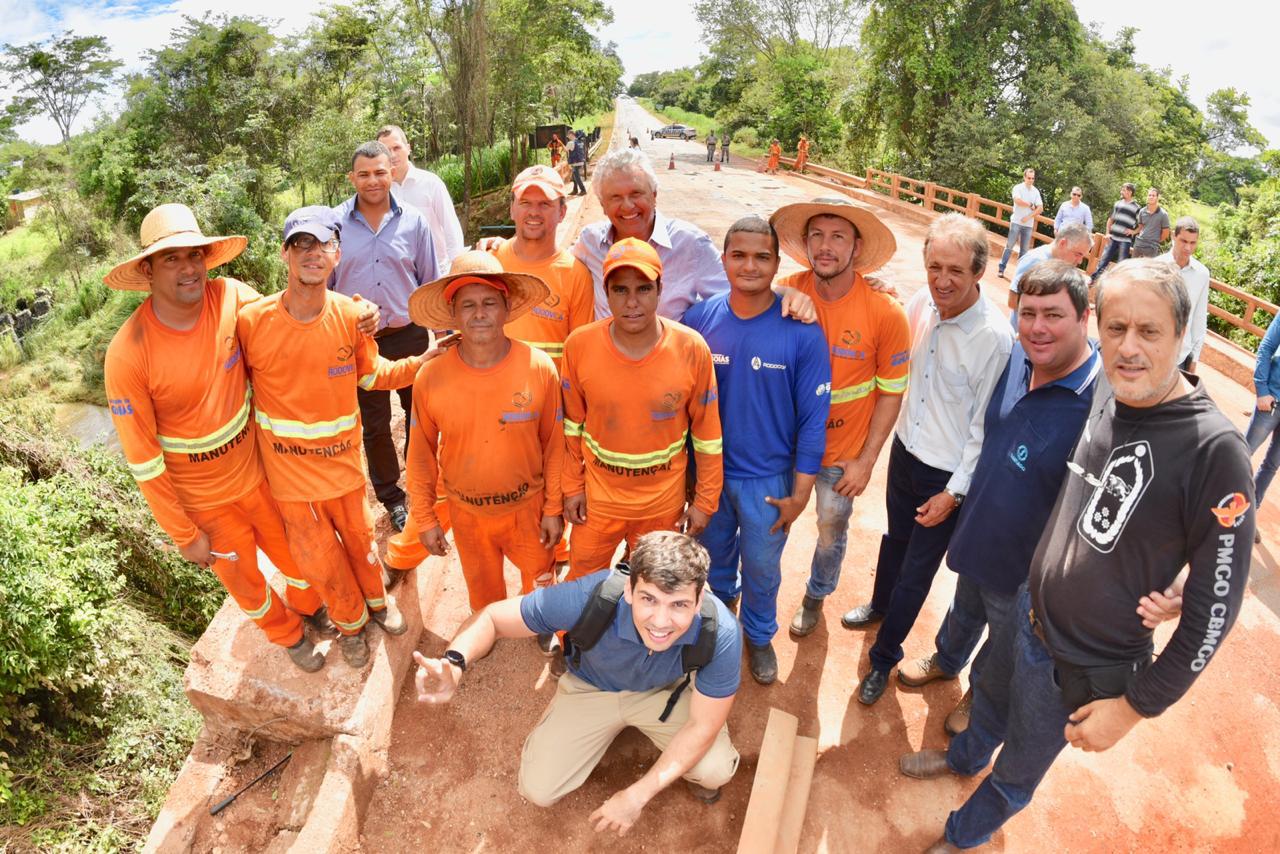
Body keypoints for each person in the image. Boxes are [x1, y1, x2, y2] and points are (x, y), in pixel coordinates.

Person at [900, 258, 1255, 853]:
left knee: (1020, 765)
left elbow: (1215, 611)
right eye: (1117, 328)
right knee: (989, 699)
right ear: (1099, 328)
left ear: (1181, 335)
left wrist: (1133, 709)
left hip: (1082, 663)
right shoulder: (1111, 400)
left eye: (1149, 331)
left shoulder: (1215, 450)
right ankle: (962, 759)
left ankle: (963, 836)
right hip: (1028, 613)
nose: (1129, 347)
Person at [104, 204, 345, 673]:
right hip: (206, 505)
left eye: (194, 255)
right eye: (171, 258)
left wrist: (349, 316)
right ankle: (288, 634)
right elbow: (144, 461)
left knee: (297, 557)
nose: (188, 268)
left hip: (262, 475)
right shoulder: (128, 354)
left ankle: (311, 607)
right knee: (246, 582)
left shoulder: (231, 297)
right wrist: (184, 535)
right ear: (148, 270)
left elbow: (286, 325)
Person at [411, 531, 742, 836]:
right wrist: (454, 663)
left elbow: (703, 725)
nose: (661, 621)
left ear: (699, 599)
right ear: (629, 590)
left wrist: (636, 796)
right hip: (592, 687)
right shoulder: (591, 597)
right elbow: (493, 618)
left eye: (679, 604)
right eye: (649, 599)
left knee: (715, 770)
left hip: (665, 691)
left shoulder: (720, 631)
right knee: (539, 789)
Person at [898, 261, 1102, 733]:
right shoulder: (1014, 358)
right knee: (964, 606)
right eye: (1028, 313)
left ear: (1083, 317)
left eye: (1052, 315)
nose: (1037, 327)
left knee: (1006, 634)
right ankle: (947, 659)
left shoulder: (1096, 404)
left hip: (1026, 564)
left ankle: (979, 694)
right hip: (979, 530)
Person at [238, 206, 431, 668]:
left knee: (362, 542)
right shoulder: (251, 322)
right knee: (320, 559)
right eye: (301, 244)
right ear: (284, 253)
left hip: (344, 467)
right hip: (291, 479)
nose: (312, 253)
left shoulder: (350, 315)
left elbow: (374, 375)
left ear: (338, 255)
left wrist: (423, 362)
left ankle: (379, 605)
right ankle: (350, 625)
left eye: (323, 244)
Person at [845, 214, 1013, 706]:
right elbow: (893, 332)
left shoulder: (994, 339)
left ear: (978, 272)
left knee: (918, 569)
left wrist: (954, 494)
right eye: (934, 266)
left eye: (955, 270)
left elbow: (984, 429)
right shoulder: (922, 303)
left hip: (945, 476)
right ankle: (879, 605)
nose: (943, 280)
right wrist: (879, 293)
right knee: (894, 541)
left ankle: (883, 657)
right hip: (905, 452)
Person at [682, 216, 831, 683]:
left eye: (762, 257)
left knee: (763, 568)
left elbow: (813, 421)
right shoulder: (698, 322)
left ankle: (760, 635)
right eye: (739, 255)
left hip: (769, 481)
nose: (750, 266)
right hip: (711, 475)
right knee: (713, 557)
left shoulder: (802, 330)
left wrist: (800, 494)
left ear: (776, 263)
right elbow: (681, 404)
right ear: (723, 259)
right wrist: (687, 475)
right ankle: (720, 614)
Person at [766, 198, 911, 638]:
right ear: (805, 243)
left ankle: (816, 594)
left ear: (856, 247)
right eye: (817, 236)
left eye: (838, 237)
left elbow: (891, 392)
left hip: (840, 454)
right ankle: (757, 598)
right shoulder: (784, 291)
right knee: (769, 524)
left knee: (830, 530)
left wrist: (866, 461)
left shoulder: (884, 311)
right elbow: (738, 295)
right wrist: (782, 293)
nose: (825, 246)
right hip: (783, 447)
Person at [398, 251, 564, 633]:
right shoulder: (431, 377)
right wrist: (425, 517)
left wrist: (553, 508)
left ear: (506, 308)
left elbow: (556, 445)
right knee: (484, 601)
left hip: (529, 508)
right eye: (468, 305)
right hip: (467, 514)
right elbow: (420, 454)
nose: (479, 314)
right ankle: (488, 633)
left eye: (489, 302)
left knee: (541, 582)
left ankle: (543, 627)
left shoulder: (539, 367)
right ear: (453, 314)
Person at [560, 238, 723, 579]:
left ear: (660, 289)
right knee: (582, 588)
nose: (632, 302)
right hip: (598, 503)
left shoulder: (691, 348)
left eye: (643, 289)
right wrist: (572, 488)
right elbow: (571, 427)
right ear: (606, 293)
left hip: (662, 505)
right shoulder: (579, 346)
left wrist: (705, 502)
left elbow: (707, 435)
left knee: (655, 588)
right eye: (620, 290)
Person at [568, 149, 815, 323]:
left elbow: (737, 291)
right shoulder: (590, 243)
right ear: (602, 205)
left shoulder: (689, 244)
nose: (628, 206)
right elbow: (558, 272)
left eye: (636, 194)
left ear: (654, 196)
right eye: (615, 197)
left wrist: (784, 294)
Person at [331, 140, 438, 533]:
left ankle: (423, 487)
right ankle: (392, 498)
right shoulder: (334, 225)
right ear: (351, 178)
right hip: (360, 343)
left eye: (380, 172)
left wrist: (445, 337)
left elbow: (430, 282)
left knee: (419, 416)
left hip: (410, 333)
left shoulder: (415, 222)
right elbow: (326, 287)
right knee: (374, 425)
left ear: (392, 172)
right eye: (364, 174)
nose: (372, 180)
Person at [377, 124, 465, 277]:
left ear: (408, 148)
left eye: (397, 148)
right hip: (399, 276)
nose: (392, 155)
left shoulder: (431, 183)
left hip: (437, 272)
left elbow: (451, 228)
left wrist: (458, 270)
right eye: (386, 151)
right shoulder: (379, 192)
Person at [1006, 223, 1093, 328]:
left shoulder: (1061, 264)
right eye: (1078, 254)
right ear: (1063, 243)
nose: (1079, 261)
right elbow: (1012, 301)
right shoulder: (1035, 261)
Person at [1159, 217, 1210, 372]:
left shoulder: (1202, 274)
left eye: (1193, 243)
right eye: (1184, 241)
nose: (1188, 247)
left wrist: (1194, 358)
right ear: (1173, 236)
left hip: (1180, 357)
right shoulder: (1156, 266)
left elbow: (1199, 318)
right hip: (1150, 351)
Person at [1245, 314, 1280, 521]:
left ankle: (1248, 516)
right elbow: (1266, 347)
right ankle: (1211, 499)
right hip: (1272, 400)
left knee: (1271, 465)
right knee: (1241, 452)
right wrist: (1262, 390)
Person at [997, 168, 1043, 279]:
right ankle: (1001, 268)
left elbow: (1040, 208)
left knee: (1024, 251)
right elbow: (1017, 201)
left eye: (1032, 178)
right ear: (1024, 177)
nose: (1031, 180)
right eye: (1029, 178)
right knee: (1009, 246)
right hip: (1016, 222)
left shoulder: (1035, 191)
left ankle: (1019, 273)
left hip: (1028, 225)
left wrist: (1028, 217)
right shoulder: (1018, 188)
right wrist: (1030, 205)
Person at [1091, 182, 1140, 281]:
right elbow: (1110, 220)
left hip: (1125, 240)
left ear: (1130, 192)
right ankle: (1093, 280)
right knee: (1103, 261)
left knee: (1121, 264)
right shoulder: (1117, 203)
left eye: (1123, 190)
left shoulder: (1137, 208)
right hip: (1112, 238)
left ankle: (1118, 284)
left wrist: (1133, 232)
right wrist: (1107, 233)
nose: (1121, 192)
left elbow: (1142, 225)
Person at [1131, 187, 1171, 258]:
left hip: (1152, 247)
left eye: (1153, 195)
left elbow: (1166, 233)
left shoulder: (1163, 214)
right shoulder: (1142, 211)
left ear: (1157, 198)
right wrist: (1133, 232)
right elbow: (1140, 227)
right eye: (1149, 195)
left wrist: (1155, 241)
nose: (1151, 197)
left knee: (1148, 265)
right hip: (1139, 244)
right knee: (1134, 264)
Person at [567, 130, 588, 197]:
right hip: (581, 160)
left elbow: (565, 149)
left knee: (577, 177)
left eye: (568, 135)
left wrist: (561, 143)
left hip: (575, 162)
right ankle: (575, 190)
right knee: (574, 176)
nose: (568, 137)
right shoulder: (580, 142)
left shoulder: (571, 142)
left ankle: (583, 190)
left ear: (571, 134)